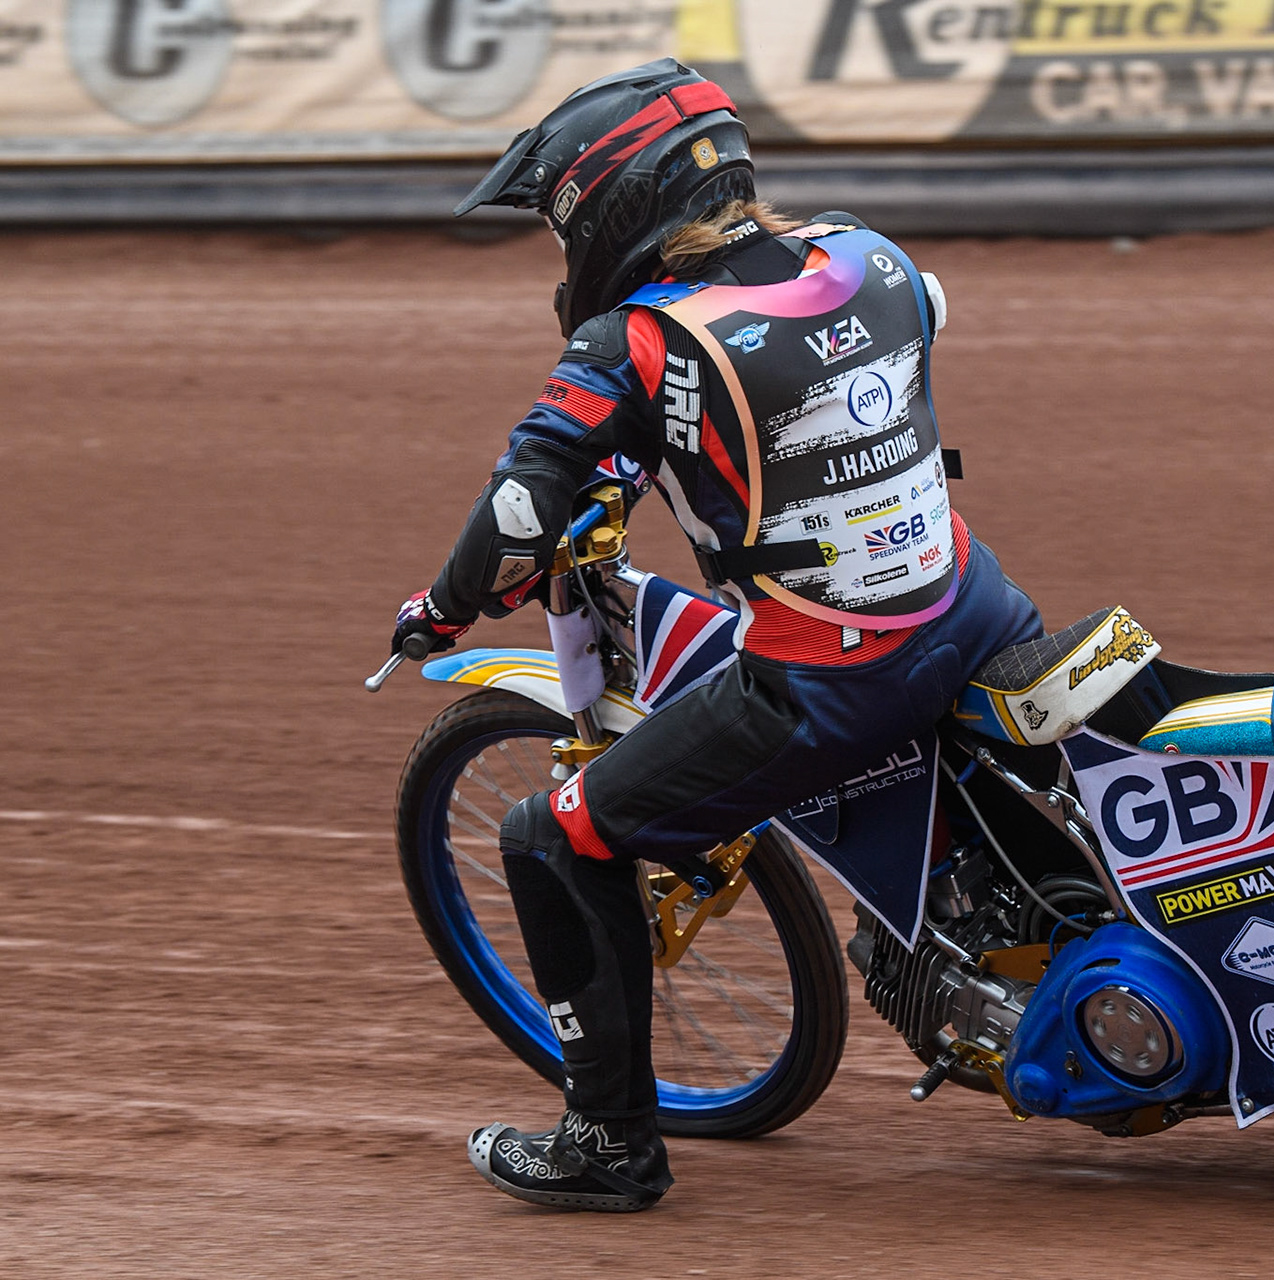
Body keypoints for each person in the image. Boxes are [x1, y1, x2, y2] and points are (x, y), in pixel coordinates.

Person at [391, 59, 1042, 1213]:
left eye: (558, 224)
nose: (562, 251)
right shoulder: (868, 255)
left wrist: (438, 611)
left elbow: (515, 521)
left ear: (607, 203)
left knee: (556, 836)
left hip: (834, 683)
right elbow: (867, 354)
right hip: (978, 603)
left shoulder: (634, 343)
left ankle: (608, 1143)